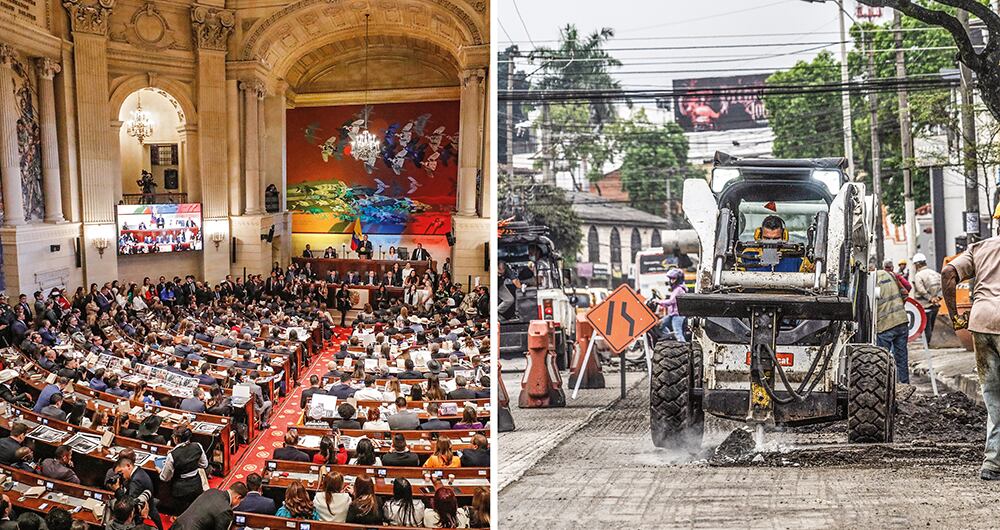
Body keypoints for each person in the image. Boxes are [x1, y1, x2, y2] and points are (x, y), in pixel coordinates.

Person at [943, 236, 1000, 480]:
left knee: (992, 395)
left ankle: (992, 463)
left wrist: (956, 316)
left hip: (981, 322)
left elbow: (948, 272)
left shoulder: (980, 247)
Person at [874, 260, 910, 384]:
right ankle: (904, 387)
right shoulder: (892, 275)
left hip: (885, 325)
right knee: (901, 358)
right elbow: (906, 292)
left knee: (881, 359)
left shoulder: (871, 280)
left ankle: (883, 387)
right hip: (902, 321)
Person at [740, 215, 813, 273]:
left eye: (776, 239)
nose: (771, 242)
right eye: (767, 238)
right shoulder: (746, 255)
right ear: (759, 235)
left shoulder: (797, 257)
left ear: (784, 236)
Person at [159, 427, 209, 510]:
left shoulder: (172, 455)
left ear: (176, 439)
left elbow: (165, 478)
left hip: (180, 490)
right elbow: (204, 464)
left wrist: (160, 471)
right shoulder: (198, 446)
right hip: (196, 484)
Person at [112, 454, 162, 530]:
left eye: (120, 472)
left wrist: (117, 490)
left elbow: (128, 505)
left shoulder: (136, 480)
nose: (120, 475)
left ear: (128, 466)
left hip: (147, 517)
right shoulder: (138, 473)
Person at [171, 483, 247, 530]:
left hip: (178, 525)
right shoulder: (226, 510)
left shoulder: (212, 491)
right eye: (240, 501)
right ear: (237, 497)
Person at [911, 253, 943, 344]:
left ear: (917, 264)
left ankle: (928, 344)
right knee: (931, 325)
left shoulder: (919, 275)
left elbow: (921, 290)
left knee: (926, 326)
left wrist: (930, 298)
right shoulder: (935, 273)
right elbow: (943, 287)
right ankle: (930, 343)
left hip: (924, 306)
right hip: (935, 305)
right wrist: (938, 298)